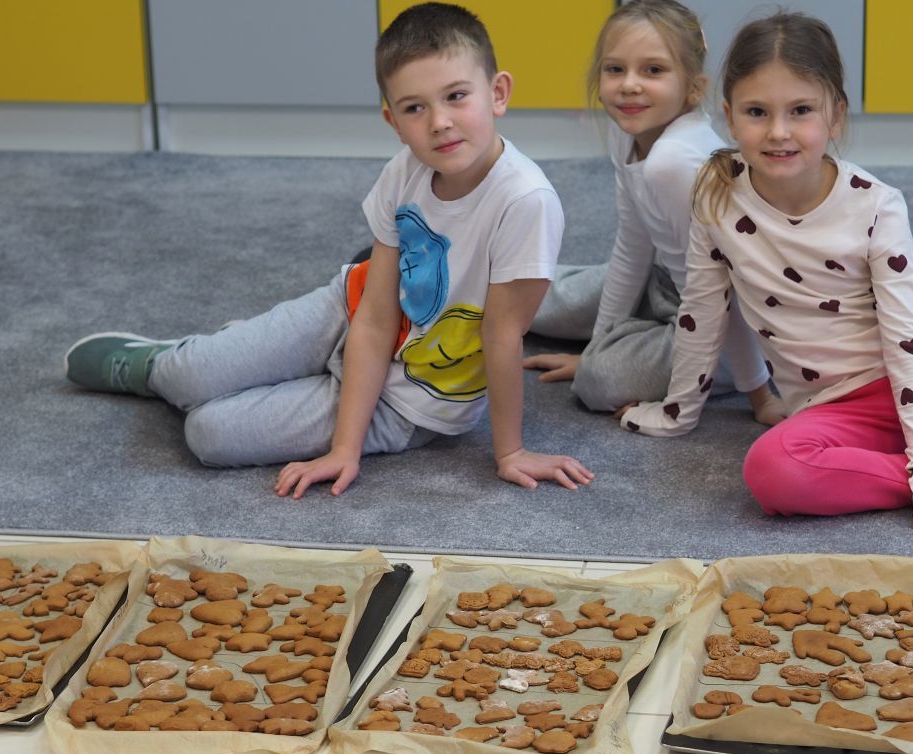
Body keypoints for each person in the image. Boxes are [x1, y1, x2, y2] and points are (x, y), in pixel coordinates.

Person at [64, 2, 593, 499]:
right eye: (415, 107)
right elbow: (374, 317)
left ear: (498, 93)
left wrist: (510, 451)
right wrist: (343, 445)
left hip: (409, 401)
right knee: (186, 376)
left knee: (208, 432)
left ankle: (248, 361)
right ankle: (164, 361)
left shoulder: (526, 202)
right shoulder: (405, 170)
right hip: (348, 311)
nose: (439, 122)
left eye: (456, 96)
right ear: (393, 121)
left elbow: (501, 337)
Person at [618, 11, 913, 533]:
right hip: (837, 400)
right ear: (729, 117)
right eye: (757, 112)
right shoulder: (715, 196)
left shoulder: (877, 205)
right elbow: (702, 313)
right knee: (773, 470)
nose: (779, 132)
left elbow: (907, 340)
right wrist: (676, 413)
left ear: (836, 117)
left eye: (801, 110)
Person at [523, 0, 783, 425]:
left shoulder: (674, 164)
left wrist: (760, 397)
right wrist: (598, 343)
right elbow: (633, 246)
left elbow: (719, 293)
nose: (629, 85)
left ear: (693, 88)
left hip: (722, 321)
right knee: (535, 293)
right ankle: (438, 281)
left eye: (653, 70)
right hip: (671, 283)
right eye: (615, 69)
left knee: (597, 381)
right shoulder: (627, 130)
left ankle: (663, 353)